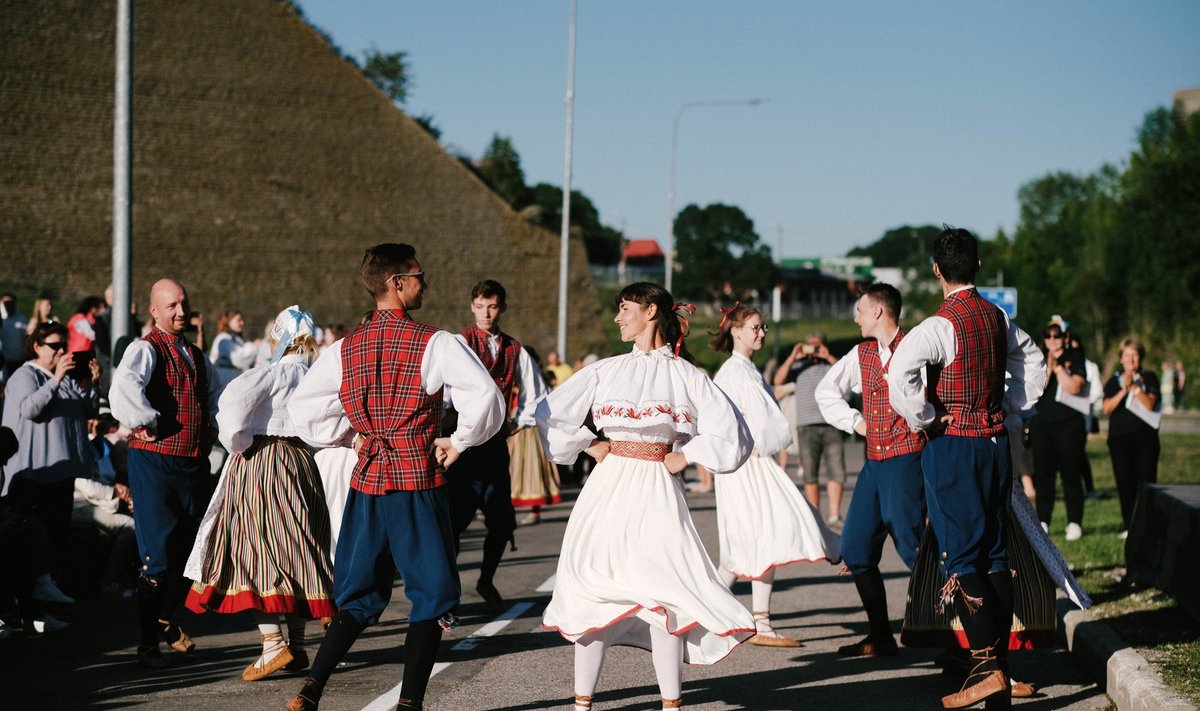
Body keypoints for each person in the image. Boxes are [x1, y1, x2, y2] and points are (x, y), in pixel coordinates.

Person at [283, 243, 504, 711]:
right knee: (433, 593)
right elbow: (486, 399)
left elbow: (303, 411)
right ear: (396, 284)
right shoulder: (436, 342)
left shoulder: (345, 347)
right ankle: (409, 704)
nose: (425, 282)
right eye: (418, 275)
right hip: (415, 479)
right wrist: (460, 441)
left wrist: (350, 438)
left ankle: (311, 688)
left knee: (359, 592)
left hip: (367, 481)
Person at [537, 282, 754, 711]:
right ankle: (582, 704)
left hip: (656, 490)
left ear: (651, 310)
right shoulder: (606, 369)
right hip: (608, 488)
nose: (618, 317)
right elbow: (549, 412)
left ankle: (670, 704)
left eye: (624, 308)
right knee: (593, 590)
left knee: (665, 594)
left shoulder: (685, 374)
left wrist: (687, 454)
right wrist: (590, 442)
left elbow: (733, 433)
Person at [888, 227, 1044, 709]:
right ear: (977, 266)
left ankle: (986, 668)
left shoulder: (937, 327)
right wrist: (1010, 406)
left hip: (953, 445)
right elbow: (1033, 361)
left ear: (937, 270)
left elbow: (900, 375)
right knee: (995, 553)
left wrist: (928, 417)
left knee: (961, 556)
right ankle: (998, 678)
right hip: (995, 445)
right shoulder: (998, 316)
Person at [184, 306, 335, 682]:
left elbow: (232, 409)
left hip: (265, 462)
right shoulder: (318, 375)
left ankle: (273, 644)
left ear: (278, 338)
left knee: (254, 549)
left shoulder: (274, 372)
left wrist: (241, 442)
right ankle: (297, 645)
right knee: (299, 549)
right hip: (303, 463)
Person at [710, 302, 839, 648]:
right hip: (747, 465)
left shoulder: (744, 370)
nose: (761, 332)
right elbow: (739, 421)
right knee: (760, 538)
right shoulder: (736, 372)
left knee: (748, 545)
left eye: (763, 327)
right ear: (736, 331)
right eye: (755, 327)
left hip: (750, 462)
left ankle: (719, 615)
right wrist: (756, 443)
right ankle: (739, 618)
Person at [108, 278, 222, 668]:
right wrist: (147, 419)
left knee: (198, 553)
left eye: (184, 304)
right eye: (171, 305)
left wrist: (219, 431)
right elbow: (123, 388)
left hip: (192, 463)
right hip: (155, 463)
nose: (180, 311)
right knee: (156, 556)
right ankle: (147, 642)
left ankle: (164, 619)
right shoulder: (144, 349)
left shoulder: (197, 356)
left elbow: (217, 402)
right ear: (155, 311)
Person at [815, 283, 927, 656]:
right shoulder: (862, 353)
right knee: (855, 547)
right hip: (875, 461)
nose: (855, 317)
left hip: (908, 456)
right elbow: (826, 391)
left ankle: (961, 640)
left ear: (879, 311)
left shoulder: (918, 347)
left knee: (914, 548)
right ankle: (881, 636)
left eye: (860, 310)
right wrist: (856, 422)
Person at [448, 279, 547, 612]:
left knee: (502, 522)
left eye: (492, 306)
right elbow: (444, 391)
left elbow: (536, 395)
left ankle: (485, 579)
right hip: (462, 447)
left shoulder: (514, 349)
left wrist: (517, 423)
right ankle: (448, 591)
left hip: (494, 447)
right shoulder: (459, 343)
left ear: (501, 307)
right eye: (480, 306)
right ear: (472, 306)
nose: (486, 313)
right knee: (454, 522)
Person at [2, 321, 101, 581]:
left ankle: (52, 599)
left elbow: (88, 411)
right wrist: (56, 378)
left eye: (63, 346)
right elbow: (30, 409)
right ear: (36, 346)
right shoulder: (25, 375)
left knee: (57, 536)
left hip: (62, 472)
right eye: (54, 346)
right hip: (35, 474)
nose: (61, 352)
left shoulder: (64, 377)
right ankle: (33, 604)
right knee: (36, 538)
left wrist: (92, 384)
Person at [774, 332, 845, 527]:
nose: (813, 349)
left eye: (817, 344)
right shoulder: (798, 366)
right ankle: (815, 517)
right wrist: (794, 355)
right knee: (810, 473)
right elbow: (778, 379)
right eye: (810, 344)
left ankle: (834, 515)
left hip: (832, 423)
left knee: (836, 470)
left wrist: (827, 356)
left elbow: (847, 373)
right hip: (806, 425)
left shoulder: (832, 366)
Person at [1029, 320, 1089, 541]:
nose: (1052, 341)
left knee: (1071, 474)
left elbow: (1075, 387)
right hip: (1043, 425)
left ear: (1065, 337)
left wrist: (1058, 369)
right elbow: (1036, 390)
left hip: (1069, 425)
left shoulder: (1075, 357)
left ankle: (1074, 522)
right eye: (1048, 336)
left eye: (1057, 336)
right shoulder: (1038, 359)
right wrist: (1049, 367)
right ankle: (1043, 520)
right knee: (1044, 475)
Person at [1102, 337, 1161, 537]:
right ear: (1121, 358)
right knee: (1124, 483)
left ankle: (1148, 525)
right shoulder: (1113, 381)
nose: (1131, 359)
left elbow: (1150, 404)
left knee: (1145, 482)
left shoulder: (1150, 377)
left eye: (1134, 355)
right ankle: (1130, 526)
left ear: (1140, 357)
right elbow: (1107, 407)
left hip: (1145, 439)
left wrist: (1136, 387)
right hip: (1119, 439)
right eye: (1127, 355)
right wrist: (1124, 389)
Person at [510, 345, 560, 526]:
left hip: (529, 429)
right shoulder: (518, 379)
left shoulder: (536, 380)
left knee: (533, 471)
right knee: (513, 472)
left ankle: (535, 511)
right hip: (515, 430)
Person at [208, 310, 259, 388]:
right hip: (222, 384)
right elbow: (240, 359)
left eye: (242, 320)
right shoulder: (223, 339)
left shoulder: (236, 339)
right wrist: (254, 346)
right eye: (239, 320)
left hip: (229, 383)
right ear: (229, 321)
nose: (242, 323)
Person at [1, 293, 30, 378]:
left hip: (20, 361)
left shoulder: (23, 320)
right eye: (6, 303)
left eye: (11, 303)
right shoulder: (2, 321)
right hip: (4, 364)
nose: (9, 305)